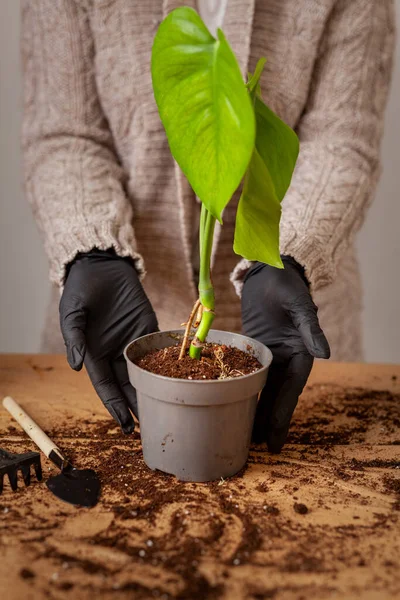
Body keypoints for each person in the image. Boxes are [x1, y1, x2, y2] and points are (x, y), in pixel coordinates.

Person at [21, 0, 395, 452]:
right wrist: (91, 247)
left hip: (292, 309)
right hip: (113, 319)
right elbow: (65, 133)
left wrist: (289, 255)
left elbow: (343, 140)